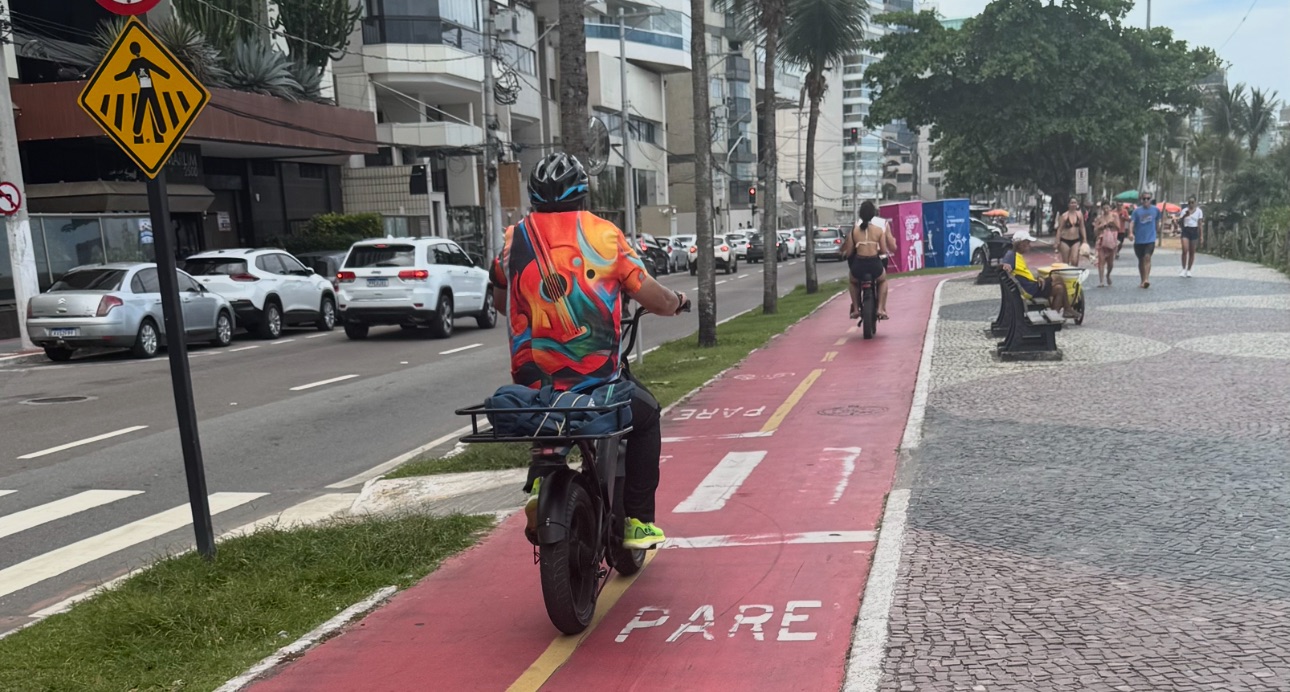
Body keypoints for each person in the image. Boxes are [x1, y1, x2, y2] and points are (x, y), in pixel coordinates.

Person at [490, 153, 687, 549]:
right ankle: (636, 521)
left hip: (534, 384)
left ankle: (541, 486)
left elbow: (499, 296)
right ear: (583, 193)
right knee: (646, 416)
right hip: (596, 380)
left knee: (551, 416)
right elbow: (657, 300)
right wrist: (678, 300)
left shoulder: (514, 239)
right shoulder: (605, 236)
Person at [841, 201, 895, 321]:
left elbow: (849, 252)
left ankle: (855, 309)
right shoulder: (878, 230)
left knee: (853, 282)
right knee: (882, 281)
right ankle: (881, 308)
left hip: (859, 266)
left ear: (860, 214)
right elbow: (883, 251)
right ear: (873, 214)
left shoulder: (854, 231)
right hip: (874, 265)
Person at [1001, 230, 1071, 316]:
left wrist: (1037, 279)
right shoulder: (1012, 256)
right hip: (1030, 290)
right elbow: (1007, 264)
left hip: (1029, 286)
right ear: (1021, 244)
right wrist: (1006, 266)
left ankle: (1058, 313)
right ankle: (1065, 310)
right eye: (1028, 243)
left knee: (1059, 287)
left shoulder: (1014, 254)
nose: (1029, 246)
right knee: (1057, 279)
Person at [1128, 191, 1162, 288]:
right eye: (1144, 198)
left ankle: (1146, 279)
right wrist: (1130, 233)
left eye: (1148, 198)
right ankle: (1142, 279)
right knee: (1141, 260)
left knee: (1147, 257)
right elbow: (1132, 223)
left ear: (1151, 200)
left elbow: (1157, 222)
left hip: (1150, 239)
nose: (1146, 200)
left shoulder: (1156, 210)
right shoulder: (1136, 211)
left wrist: (1158, 230)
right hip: (1139, 240)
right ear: (1141, 200)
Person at [1094, 200, 1121, 287]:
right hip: (1101, 241)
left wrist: (1112, 224)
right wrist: (1101, 226)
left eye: (1107, 208)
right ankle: (1101, 281)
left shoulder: (1114, 216)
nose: (1106, 210)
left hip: (1112, 240)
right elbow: (1095, 231)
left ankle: (1108, 274)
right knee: (1101, 261)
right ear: (1102, 209)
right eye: (1104, 208)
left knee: (1110, 263)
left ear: (1110, 207)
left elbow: (1118, 228)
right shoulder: (1099, 218)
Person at [1055, 198, 1086, 266]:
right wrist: (1057, 242)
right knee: (1065, 262)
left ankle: (1074, 275)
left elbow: (1082, 227)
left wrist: (1084, 240)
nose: (1073, 204)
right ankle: (1067, 275)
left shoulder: (1079, 215)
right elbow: (1059, 229)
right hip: (1065, 240)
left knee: (1074, 260)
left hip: (1076, 240)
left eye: (1075, 203)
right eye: (1071, 203)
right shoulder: (1064, 216)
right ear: (1068, 204)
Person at [1179, 196, 1204, 277]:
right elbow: (1180, 223)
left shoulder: (1199, 211)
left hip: (1194, 230)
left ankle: (1189, 269)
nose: (1191, 204)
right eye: (1189, 202)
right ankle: (1183, 269)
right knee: (1185, 249)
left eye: (1192, 202)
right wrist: (1184, 216)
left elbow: (1200, 224)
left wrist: (1201, 236)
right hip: (1186, 230)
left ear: (1195, 203)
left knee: (1192, 251)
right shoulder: (1184, 211)